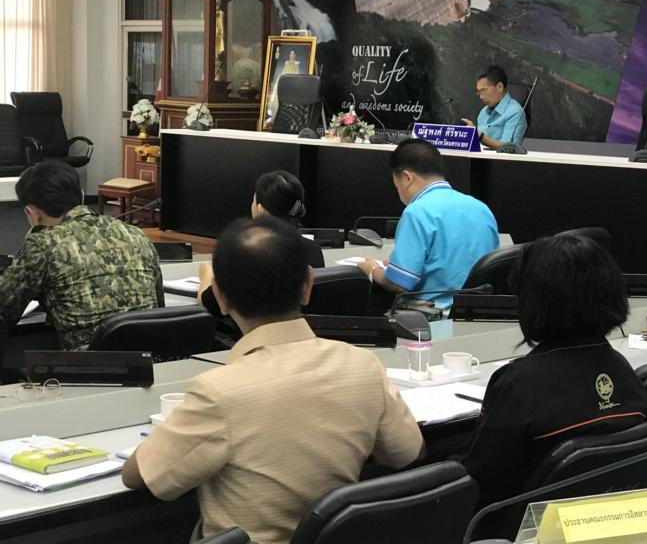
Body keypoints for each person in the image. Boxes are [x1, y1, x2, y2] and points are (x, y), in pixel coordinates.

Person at [122, 217, 424, 543]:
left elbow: (139, 476)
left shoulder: (219, 392)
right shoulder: (363, 365)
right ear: (308, 285)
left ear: (220, 297)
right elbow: (409, 453)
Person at [462, 234, 647, 511]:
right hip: (605, 519)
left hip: (519, 527)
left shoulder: (519, 385)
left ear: (533, 301)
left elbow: (479, 482)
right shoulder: (623, 371)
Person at [0, 160, 163, 350]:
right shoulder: (135, 234)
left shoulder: (43, 244)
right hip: (148, 360)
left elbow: (4, 309)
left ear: (32, 212)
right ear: (82, 195)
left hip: (83, 364)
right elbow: (158, 307)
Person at [357, 139, 499, 307]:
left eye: (396, 186)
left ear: (407, 177)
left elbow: (398, 284)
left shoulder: (416, 212)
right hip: (475, 313)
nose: (398, 192)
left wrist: (372, 269)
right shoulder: (481, 208)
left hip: (430, 316)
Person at [197, 170, 323, 317]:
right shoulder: (313, 249)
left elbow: (210, 302)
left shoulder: (247, 253)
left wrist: (208, 274)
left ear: (260, 209)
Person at [462, 65, 527, 150]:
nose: (481, 97)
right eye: (479, 92)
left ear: (499, 87)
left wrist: (479, 135)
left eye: (484, 90)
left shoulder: (515, 112)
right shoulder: (483, 112)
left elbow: (509, 147)